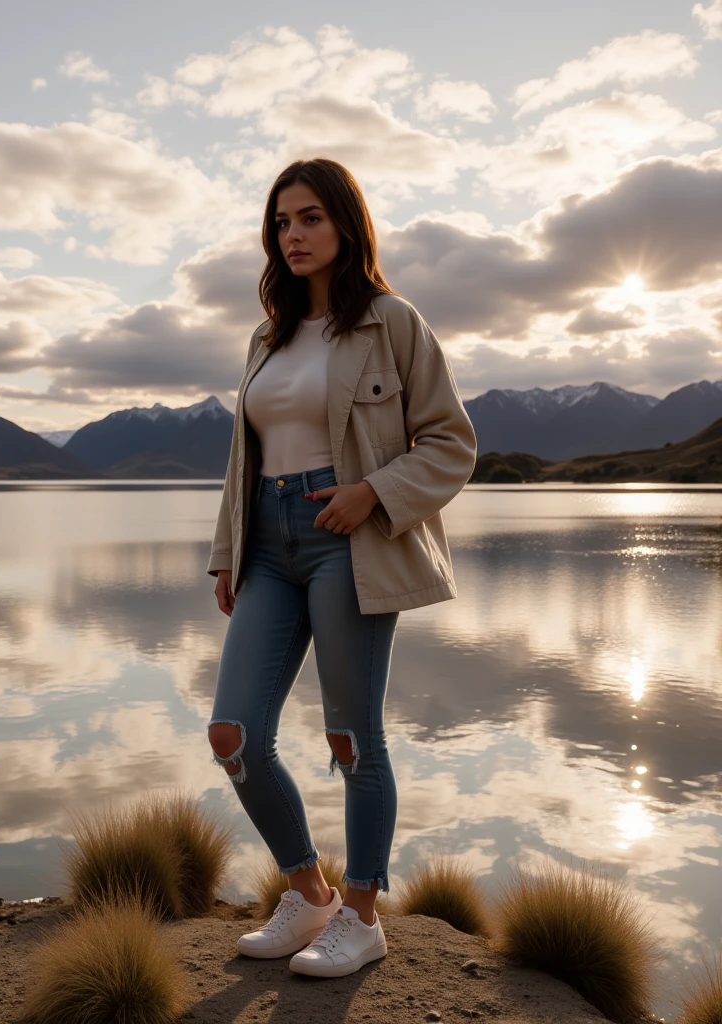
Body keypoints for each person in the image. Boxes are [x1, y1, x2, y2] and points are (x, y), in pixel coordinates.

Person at [205, 157, 477, 979]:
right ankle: (309, 892)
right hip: (268, 545)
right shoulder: (267, 336)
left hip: (349, 538)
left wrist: (372, 492)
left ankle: (362, 915)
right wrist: (227, 553)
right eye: (282, 221)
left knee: (352, 740)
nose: (293, 234)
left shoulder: (393, 322)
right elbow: (241, 462)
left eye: (311, 217)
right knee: (234, 733)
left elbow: (452, 443)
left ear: (346, 225)